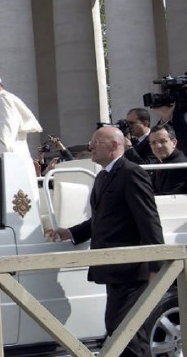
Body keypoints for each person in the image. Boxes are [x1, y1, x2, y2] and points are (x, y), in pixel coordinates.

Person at [46, 127, 164, 357]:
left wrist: (156, 267)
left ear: (113, 145)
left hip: (131, 270)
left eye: (96, 142)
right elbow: (102, 218)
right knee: (120, 328)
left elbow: (149, 220)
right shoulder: (102, 176)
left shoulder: (131, 173)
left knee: (124, 329)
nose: (90, 146)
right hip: (113, 269)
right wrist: (70, 233)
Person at [148, 124, 187, 195]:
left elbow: (170, 196)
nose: (158, 146)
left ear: (174, 142)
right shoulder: (160, 162)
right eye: (153, 143)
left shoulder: (181, 166)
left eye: (162, 141)